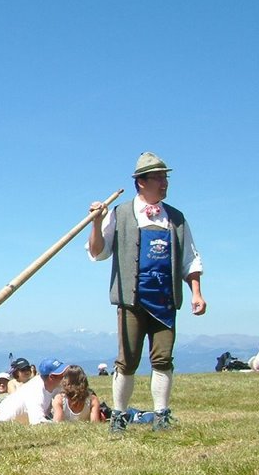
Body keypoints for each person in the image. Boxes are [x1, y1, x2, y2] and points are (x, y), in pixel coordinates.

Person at [87, 152, 206, 433]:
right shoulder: (120, 213)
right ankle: (118, 415)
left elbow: (190, 259)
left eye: (166, 178)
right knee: (127, 360)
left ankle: (162, 415)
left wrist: (196, 293)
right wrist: (95, 222)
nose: (165, 183)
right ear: (141, 182)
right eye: (159, 178)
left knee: (163, 359)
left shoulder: (176, 218)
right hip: (132, 299)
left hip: (165, 300)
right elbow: (98, 251)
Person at [0, 358, 70, 425]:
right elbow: (37, 422)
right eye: (61, 374)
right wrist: (56, 424)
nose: (64, 376)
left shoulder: (53, 385)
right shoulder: (36, 391)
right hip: (4, 422)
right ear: (51, 377)